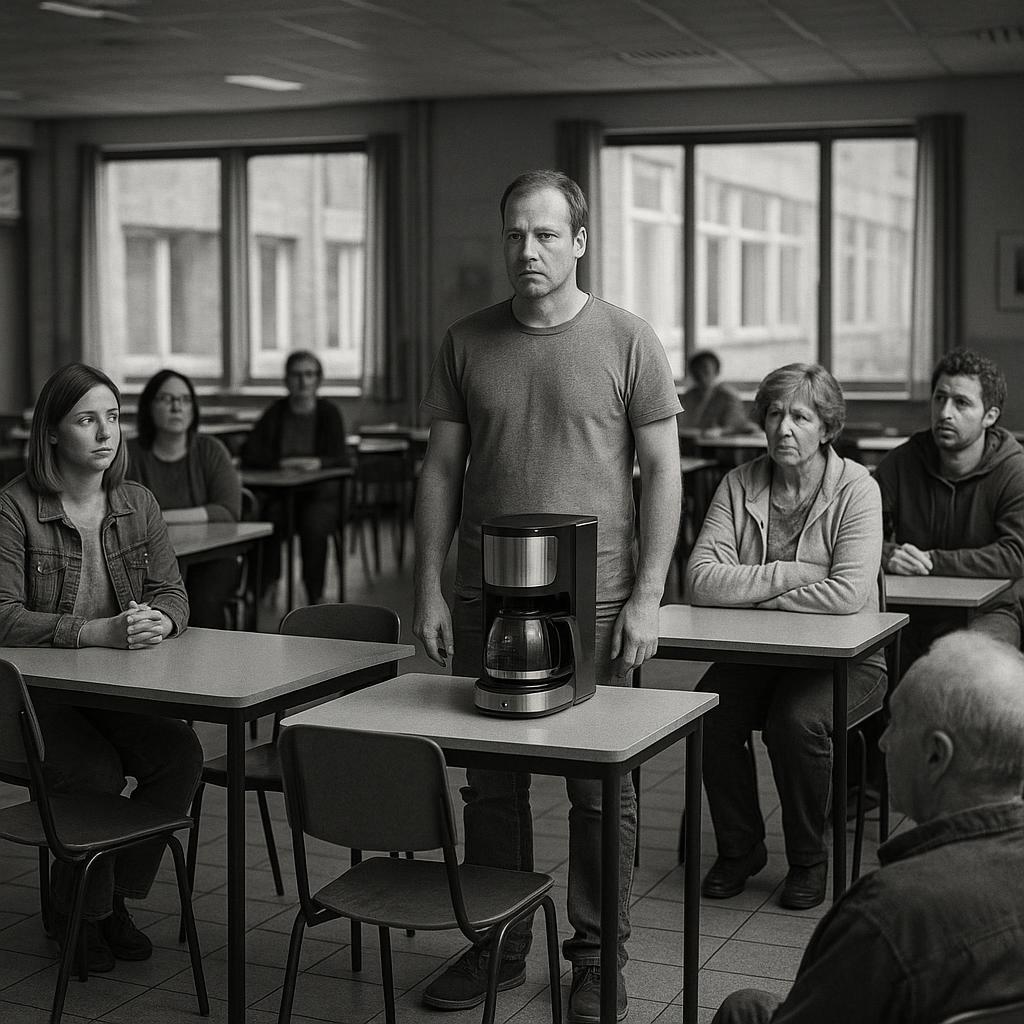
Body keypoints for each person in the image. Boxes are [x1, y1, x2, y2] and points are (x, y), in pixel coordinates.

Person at [413, 170, 682, 1023]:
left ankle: (598, 959)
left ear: (579, 241)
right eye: (513, 236)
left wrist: (648, 595)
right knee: (491, 789)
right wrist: (428, 584)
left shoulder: (629, 340)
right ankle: (498, 944)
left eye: (543, 235)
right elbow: (440, 471)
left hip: (595, 603)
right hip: (487, 602)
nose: (526, 251)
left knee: (602, 790)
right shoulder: (465, 341)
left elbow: (665, 472)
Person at [0, 363, 203, 975]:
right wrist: (98, 632)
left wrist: (160, 622)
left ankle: (108, 899)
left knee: (180, 757)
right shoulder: (15, 506)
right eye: (86, 419)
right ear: (53, 433)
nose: (104, 432)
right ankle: (79, 916)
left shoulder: (137, 502)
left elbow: (175, 594)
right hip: (35, 699)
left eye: (112, 417)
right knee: (95, 770)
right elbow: (3, 616)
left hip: (114, 691)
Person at [712, 630, 1024, 1024]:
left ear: (935, 755)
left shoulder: (889, 914)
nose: (883, 742)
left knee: (743, 1009)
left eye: (896, 723)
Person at [687, 364, 885, 911]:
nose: (784, 428)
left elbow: (848, 594)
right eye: (774, 414)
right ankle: (740, 848)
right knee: (706, 712)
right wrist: (793, 575)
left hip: (849, 663)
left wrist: (751, 592)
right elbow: (700, 580)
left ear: (827, 427)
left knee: (794, 722)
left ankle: (808, 858)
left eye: (801, 416)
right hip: (763, 655)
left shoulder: (857, 489)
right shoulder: (739, 482)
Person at [874, 349, 1024, 669]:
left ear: (990, 416)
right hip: (907, 608)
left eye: (961, 403)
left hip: (990, 609)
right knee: (869, 663)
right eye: (939, 398)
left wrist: (932, 561)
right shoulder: (901, 462)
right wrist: (888, 554)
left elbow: (1016, 554)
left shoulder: (1015, 471)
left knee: (977, 671)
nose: (945, 412)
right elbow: (853, 533)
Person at [127, 369, 242, 628]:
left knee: (203, 602)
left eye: (185, 399)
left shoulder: (210, 450)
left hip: (211, 556)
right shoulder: (128, 453)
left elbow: (228, 511)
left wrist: (160, 518)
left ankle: (210, 668)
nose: (177, 407)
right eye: (166, 399)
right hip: (148, 559)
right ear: (149, 407)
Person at [240, 350, 349, 606]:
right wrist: (281, 463)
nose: (302, 381)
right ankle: (264, 585)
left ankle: (314, 594)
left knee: (314, 524)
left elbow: (341, 457)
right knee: (266, 520)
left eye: (309, 374)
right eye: (296, 374)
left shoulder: (329, 413)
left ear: (318, 380)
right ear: (286, 380)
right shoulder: (276, 412)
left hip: (321, 494)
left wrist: (318, 463)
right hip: (282, 493)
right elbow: (250, 452)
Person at [679, 349, 756, 437]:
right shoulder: (688, 396)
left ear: (716, 371)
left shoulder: (728, 396)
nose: (700, 374)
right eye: (696, 370)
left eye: (705, 370)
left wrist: (720, 432)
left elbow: (737, 427)